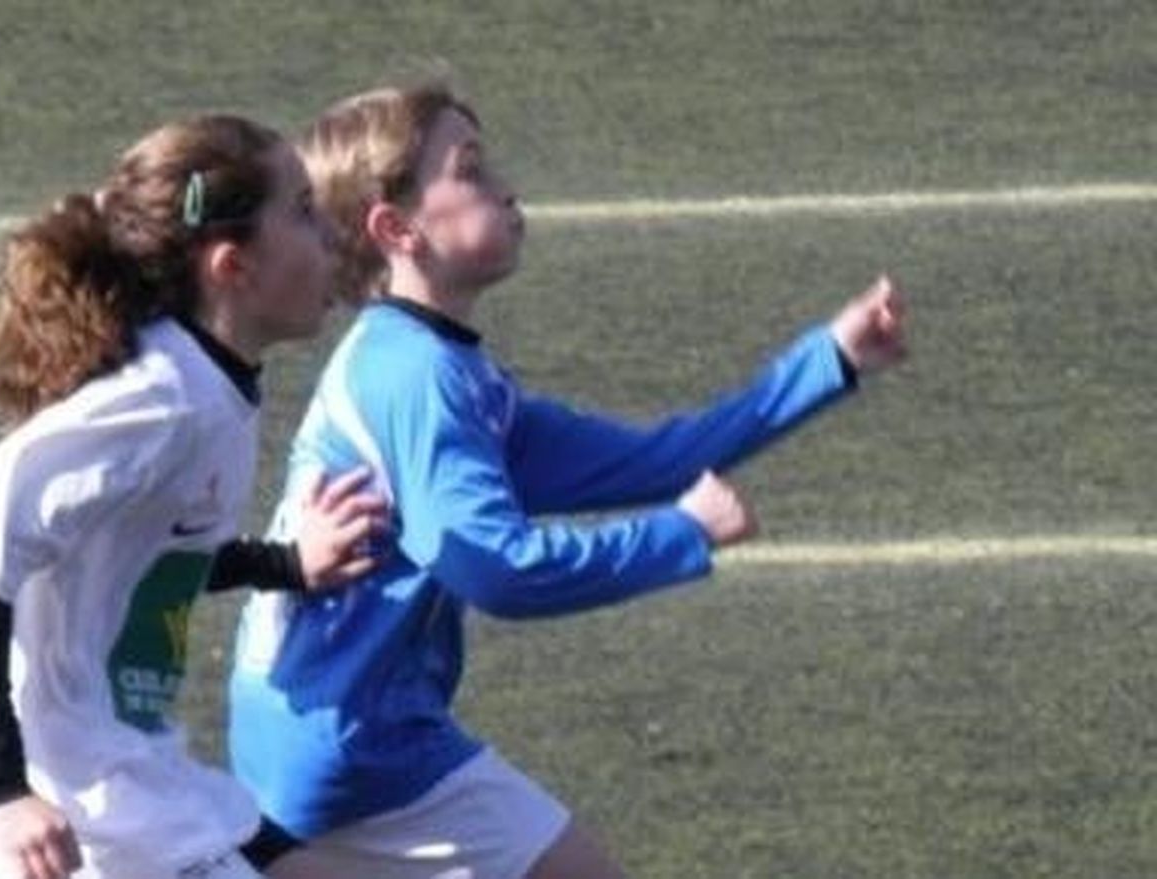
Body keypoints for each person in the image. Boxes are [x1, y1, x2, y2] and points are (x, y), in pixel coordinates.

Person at [227, 83, 908, 879]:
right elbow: (497, 569)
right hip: (361, 743)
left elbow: (652, 459)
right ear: (396, 226)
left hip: (304, 732)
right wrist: (677, 533)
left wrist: (827, 361)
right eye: (471, 171)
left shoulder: (446, 369)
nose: (507, 188)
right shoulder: (416, 380)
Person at [0, 114, 388, 879]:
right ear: (232, 265)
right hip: (70, 809)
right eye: (301, 210)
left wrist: (287, 563)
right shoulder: (162, 397)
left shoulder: (212, 386)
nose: (327, 230)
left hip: (134, 774)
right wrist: (1, 793)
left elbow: (151, 549)